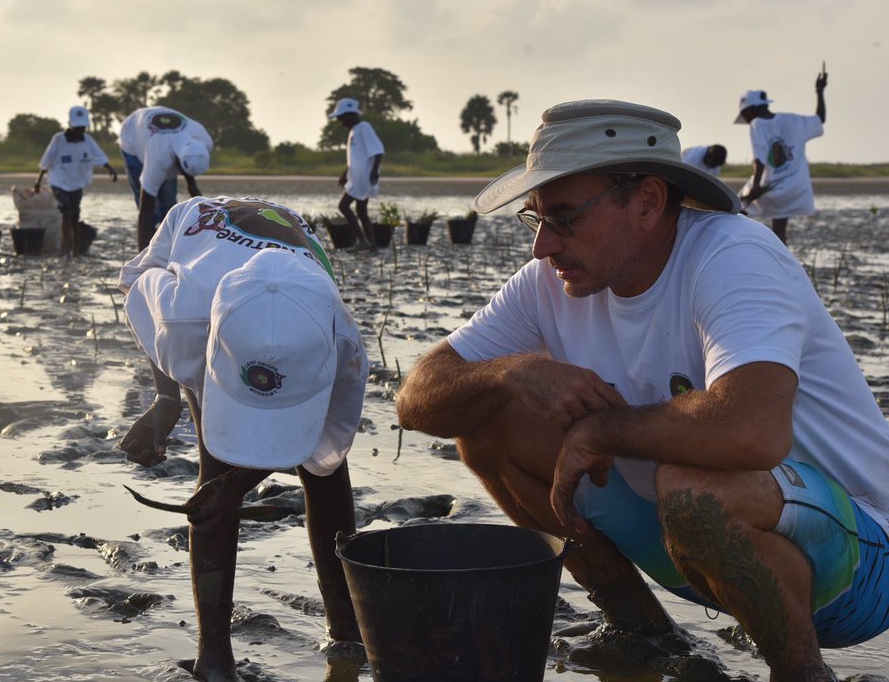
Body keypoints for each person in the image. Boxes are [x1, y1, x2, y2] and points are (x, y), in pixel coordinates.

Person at [395, 99, 889, 682]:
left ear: (648, 201)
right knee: (485, 424)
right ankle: (642, 631)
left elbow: (752, 433)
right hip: (694, 544)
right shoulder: (548, 283)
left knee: (690, 481)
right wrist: (511, 371)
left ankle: (802, 673)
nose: (542, 246)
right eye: (536, 219)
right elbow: (416, 399)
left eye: (564, 216)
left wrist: (602, 429)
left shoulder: (733, 256)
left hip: (857, 563)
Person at [118, 195, 367, 682]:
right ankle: (214, 655)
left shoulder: (341, 341)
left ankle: (348, 631)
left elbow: (326, 445)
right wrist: (166, 401)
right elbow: (135, 287)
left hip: (296, 288)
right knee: (214, 473)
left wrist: (240, 484)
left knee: (328, 472)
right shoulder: (183, 321)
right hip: (198, 264)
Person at [735, 68, 828, 243]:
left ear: (751, 110)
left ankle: (742, 247)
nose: (746, 120)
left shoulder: (757, 124)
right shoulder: (792, 120)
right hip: (794, 189)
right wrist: (820, 91)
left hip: (770, 187)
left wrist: (755, 187)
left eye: (745, 115)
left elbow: (759, 160)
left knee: (737, 210)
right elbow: (819, 119)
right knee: (779, 231)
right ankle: (781, 260)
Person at [118, 105, 213, 249]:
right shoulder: (158, 158)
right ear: (176, 160)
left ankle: (166, 248)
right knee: (152, 212)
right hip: (132, 132)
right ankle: (148, 252)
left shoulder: (204, 140)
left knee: (169, 210)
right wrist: (142, 266)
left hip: (158, 133)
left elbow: (191, 182)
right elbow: (145, 213)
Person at [34, 105, 118, 258]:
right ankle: (65, 250)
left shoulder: (87, 140)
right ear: (70, 125)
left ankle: (75, 252)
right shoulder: (58, 140)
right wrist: (38, 181)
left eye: (83, 128)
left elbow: (99, 155)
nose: (80, 131)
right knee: (66, 211)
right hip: (59, 182)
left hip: (77, 183)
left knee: (75, 215)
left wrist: (110, 169)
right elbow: (46, 160)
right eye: (78, 127)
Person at [330, 98, 384, 251]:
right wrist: (345, 173)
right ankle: (372, 246)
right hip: (357, 177)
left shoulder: (364, 128)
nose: (340, 121)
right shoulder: (354, 131)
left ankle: (362, 240)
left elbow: (378, 150)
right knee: (361, 211)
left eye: (341, 117)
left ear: (351, 115)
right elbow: (356, 158)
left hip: (364, 178)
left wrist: (374, 172)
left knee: (343, 206)